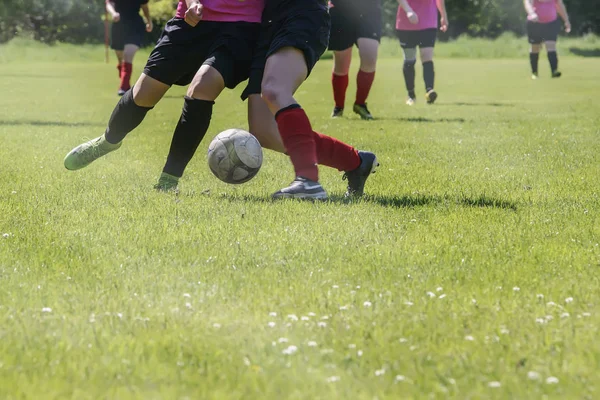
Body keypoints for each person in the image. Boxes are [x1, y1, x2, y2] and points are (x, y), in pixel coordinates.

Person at [64, 0, 267, 191]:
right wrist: (192, 3)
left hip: (243, 26)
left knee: (203, 86)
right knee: (144, 93)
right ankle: (108, 142)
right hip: (191, 20)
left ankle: (168, 180)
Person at [241, 0, 379, 200]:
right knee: (265, 131)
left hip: (301, 13)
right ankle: (357, 161)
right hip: (267, 20)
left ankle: (308, 180)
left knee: (274, 90)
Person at [328, 0, 382, 120]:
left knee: (370, 58)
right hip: (340, 8)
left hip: (370, 10)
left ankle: (360, 104)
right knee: (341, 64)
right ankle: (339, 107)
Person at [396, 0, 448, 105]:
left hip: (428, 21)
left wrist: (443, 16)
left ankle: (429, 91)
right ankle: (411, 95)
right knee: (409, 59)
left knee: (427, 56)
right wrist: (408, 10)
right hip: (407, 22)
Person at [106, 0, 153, 96]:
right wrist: (113, 13)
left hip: (135, 25)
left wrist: (149, 21)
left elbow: (145, 6)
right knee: (120, 56)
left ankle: (124, 86)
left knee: (128, 55)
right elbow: (108, 3)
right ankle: (121, 68)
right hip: (119, 24)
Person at [524, 0, 571, 79]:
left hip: (551, 23)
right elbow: (527, 3)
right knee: (535, 47)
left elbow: (559, 5)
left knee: (551, 45)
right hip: (535, 23)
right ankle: (534, 72)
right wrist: (532, 13)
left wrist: (566, 20)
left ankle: (554, 71)